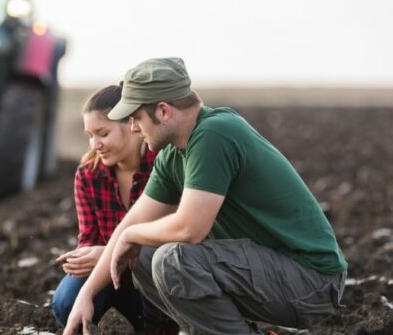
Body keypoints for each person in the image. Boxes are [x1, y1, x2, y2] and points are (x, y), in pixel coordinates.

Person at [63, 57, 348, 335]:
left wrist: (131, 235)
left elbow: (190, 228)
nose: (134, 128)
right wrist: (86, 294)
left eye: (137, 118)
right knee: (145, 257)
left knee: (173, 259)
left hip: (311, 281)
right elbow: (132, 222)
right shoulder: (173, 154)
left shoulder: (215, 134)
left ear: (163, 111)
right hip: (269, 272)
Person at [52, 84, 179, 333]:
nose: (95, 144)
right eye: (90, 135)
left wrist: (110, 254)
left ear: (132, 125)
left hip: (159, 276)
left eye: (102, 133)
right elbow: (89, 238)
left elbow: (175, 239)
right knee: (66, 301)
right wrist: (85, 257)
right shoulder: (88, 173)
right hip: (111, 277)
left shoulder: (164, 165)